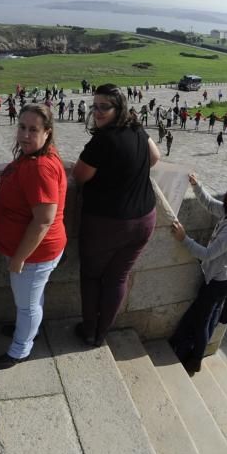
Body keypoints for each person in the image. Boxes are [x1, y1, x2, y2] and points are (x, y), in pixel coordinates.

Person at [72, 84, 161, 346]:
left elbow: (80, 176)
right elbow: (155, 157)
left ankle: (89, 331)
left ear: (117, 107)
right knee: (117, 278)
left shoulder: (102, 140)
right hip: (144, 218)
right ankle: (102, 333)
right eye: (95, 106)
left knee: (91, 276)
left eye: (104, 107)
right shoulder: (136, 128)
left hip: (107, 223)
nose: (98, 112)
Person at [0, 104, 67, 369]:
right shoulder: (36, 157)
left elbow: (44, 219)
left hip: (35, 253)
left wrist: (19, 258)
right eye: (22, 127)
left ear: (47, 132)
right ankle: (28, 329)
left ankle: (20, 349)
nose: (24, 135)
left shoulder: (39, 167)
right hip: (38, 251)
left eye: (33, 129)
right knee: (32, 299)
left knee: (27, 305)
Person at [168, 174, 227, 374]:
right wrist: (197, 185)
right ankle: (197, 351)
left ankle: (195, 359)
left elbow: (207, 255)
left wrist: (184, 238)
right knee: (211, 315)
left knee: (202, 321)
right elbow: (209, 203)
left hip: (219, 280)